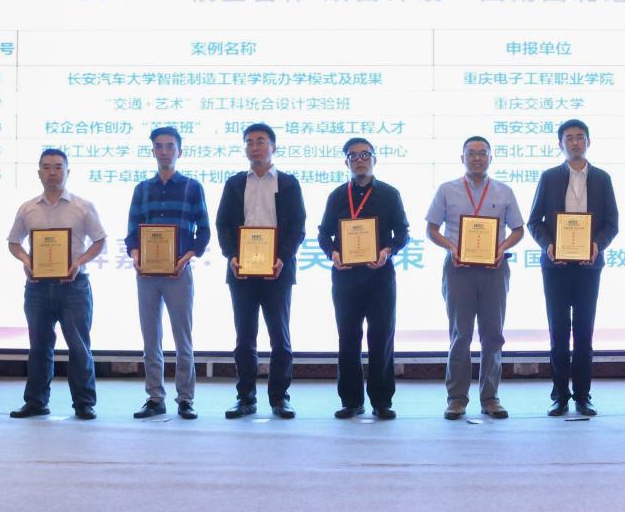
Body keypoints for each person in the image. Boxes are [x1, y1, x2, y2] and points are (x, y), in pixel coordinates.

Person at [425, 136, 524, 420]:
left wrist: (502, 248)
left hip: (494, 270)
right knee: (460, 335)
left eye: (483, 153)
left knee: (493, 335)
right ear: (463, 158)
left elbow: (518, 230)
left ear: (491, 158)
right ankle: (456, 399)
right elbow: (431, 229)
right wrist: (451, 247)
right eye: (472, 153)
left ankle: (490, 398)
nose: (477, 158)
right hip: (458, 270)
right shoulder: (447, 190)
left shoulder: (504, 191)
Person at [527, 119, 619, 417]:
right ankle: (559, 396)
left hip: (589, 265)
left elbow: (611, 223)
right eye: (569, 138)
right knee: (558, 332)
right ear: (560, 144)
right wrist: (548, 245)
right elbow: (534, 222)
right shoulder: (549, 177)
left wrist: (597, 245)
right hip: (555, 265)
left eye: (580, 137)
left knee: (583, 332)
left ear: (588, 142)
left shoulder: (602, 178)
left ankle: (582, 395)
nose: (575, 142)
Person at [7, 149, 107, 419]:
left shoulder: (83, 206)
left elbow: (99, 241)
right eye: (47, 167)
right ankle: (36, 402)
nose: (52, 172)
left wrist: (79, 262)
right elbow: (14, 242)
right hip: (37, 287)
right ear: (39, 172)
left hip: (74, 286)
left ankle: (84, 403)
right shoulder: (28, 208)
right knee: (39, 345)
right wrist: (26, 260)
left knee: (79, 346)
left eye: (58, 167)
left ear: (67, 171)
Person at [216, 123, 306, 419]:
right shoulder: (234, 183)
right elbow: (223, 224)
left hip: (277, 270)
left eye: (261, 141)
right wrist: (231, 255)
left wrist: (283, 257)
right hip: (241, 270)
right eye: (250, 142)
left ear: (273, 147)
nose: (255, 147)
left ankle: (280, 398)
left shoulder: (288, 183)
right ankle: (245, 398)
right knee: (244, 338)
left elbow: (297, 226)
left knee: (280, 337)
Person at [318, 137, 409, 420]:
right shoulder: (337, 196)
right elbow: (323, 234)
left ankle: (382, 401)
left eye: (365, 154)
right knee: (348, 338)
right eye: (353, 156)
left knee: (381, 338)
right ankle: (351, 401)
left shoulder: (390, 194)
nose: (359, 160)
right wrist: (333, 253)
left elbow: (402, 233)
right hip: (345, 277)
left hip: (380, 276)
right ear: (346, 162)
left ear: (374, 159)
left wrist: (387, 250)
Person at [125, 126, 211, 420]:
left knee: (182, 339)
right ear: (153, 151)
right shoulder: (142, 189)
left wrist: (187, 257)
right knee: (150, 338)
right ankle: (155, 398)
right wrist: (136, 255)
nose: (164, 151)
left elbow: (203, 232)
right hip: (146, 275)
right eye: (159, 146)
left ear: (179, 151)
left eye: (170, 146)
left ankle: (185, 399)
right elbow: (132, 232)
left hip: (179, 273)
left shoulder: (192, 187)